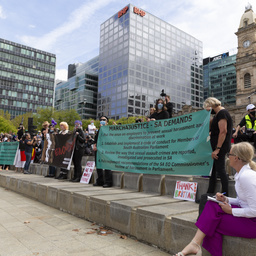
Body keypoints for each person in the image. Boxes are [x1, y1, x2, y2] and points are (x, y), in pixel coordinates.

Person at [175, 142, 256, 256]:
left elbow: (254, 210)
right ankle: (195, 245)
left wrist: (231, 211)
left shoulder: (247, 177)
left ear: (236, 158)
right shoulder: (242, 175)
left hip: (253, 224)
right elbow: (242, 201)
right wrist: (226, 199)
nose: (228, 157)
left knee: (211, 222)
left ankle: (195, 245)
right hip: (249, 218)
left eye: (229, 154)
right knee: (211, 205)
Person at [203, 97, 233, 196]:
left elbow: (223, 132)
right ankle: (209, 194)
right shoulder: (218, 115)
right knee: (214, 171)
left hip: (220, 147)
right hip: (217, 146)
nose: (207, 110)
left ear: (210, 104)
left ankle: (225, 195)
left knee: (220, 170)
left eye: (207, 107)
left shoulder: (222, 113)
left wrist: (217, 149)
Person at [93, 115, 112, 187]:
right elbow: (96, 139)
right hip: (98, 150)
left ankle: (108, 182)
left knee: (107, 166)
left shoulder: (109, 129)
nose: (102, 121)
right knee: (98, 166)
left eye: (104, 120)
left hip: (106, 150)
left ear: (107, 122)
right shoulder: (99, 130)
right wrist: (95, 145)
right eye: (101, 120)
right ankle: (100, 181)